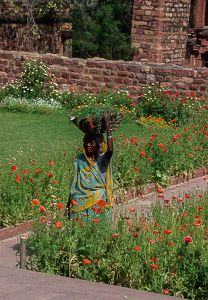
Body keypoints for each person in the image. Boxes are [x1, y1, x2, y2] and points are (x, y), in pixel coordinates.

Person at [68, 112, 113, 220]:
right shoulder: (79, 160)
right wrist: (68, 205)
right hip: (79, 200)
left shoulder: (102, 160)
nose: (88, 145)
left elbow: (110, 150)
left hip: (97, 200)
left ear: (98, 145)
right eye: (86, 142)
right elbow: (73, 184)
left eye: (92, 143)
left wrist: (107, 126)